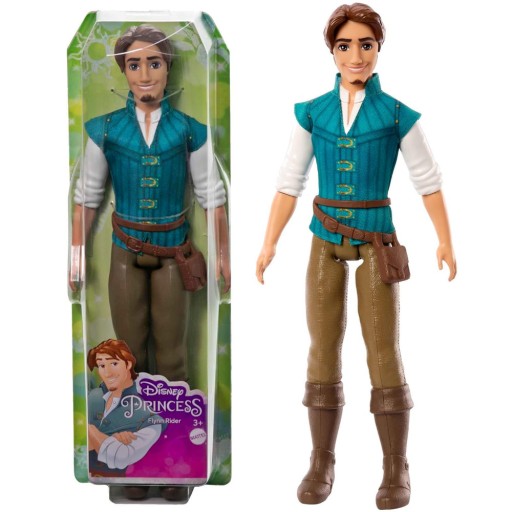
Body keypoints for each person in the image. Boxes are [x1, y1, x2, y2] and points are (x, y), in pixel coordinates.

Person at [256, 3, 456, 509]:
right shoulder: (313, 113)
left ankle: (395, 465)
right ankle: (321, 459)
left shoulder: (396, 115)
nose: (356, 56)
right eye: (345, 45)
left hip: (375, 241)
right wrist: (270, 241)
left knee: (382, 349)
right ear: (332, 51)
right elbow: (289, 182)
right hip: (324, 237)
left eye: (365, 45)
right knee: (322, 346)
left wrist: (445, 239)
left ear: (378, 48)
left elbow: (427, 180)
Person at [71, 25, 230, 382]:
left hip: (173, 251)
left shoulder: (189, 130)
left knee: (172, 354)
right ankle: (132, 412)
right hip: (124, 250)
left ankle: (175, 415)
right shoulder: (106, 130)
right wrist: (76, 252)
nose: (145, 75)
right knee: (127, 353)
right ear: (124, 71)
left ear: (168, 67)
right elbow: (87, 196)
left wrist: (222, 254)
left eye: (154, 63)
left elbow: (211, 196)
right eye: (134, 65)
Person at [87, 339, 164, 478]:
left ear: (128, 364)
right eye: (102, 365)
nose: (108, 373)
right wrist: (110, 438)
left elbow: (120, 456)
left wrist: (90, 431)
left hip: (121, 480)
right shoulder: (93, 397)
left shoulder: (150, 419)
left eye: (114, 363)